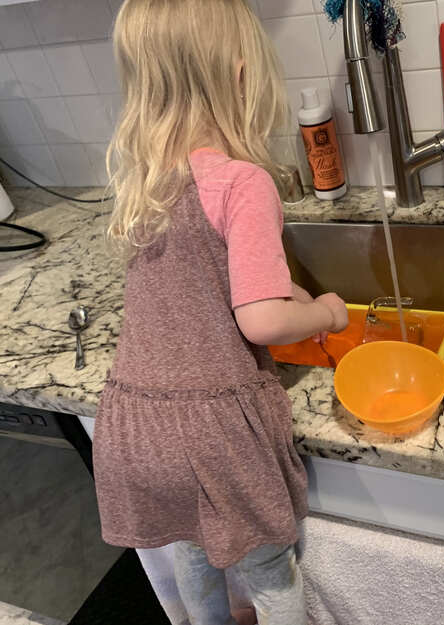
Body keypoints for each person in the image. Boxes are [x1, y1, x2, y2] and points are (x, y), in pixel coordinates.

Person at [93, 1, 348, 623]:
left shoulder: (143, 182)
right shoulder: (240, 183)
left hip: (135, 427)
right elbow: (261, 319)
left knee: (194, 547)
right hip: (212, 435)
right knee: (268, 566)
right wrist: (325, 313)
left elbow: (194, 290)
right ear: (240, 75)